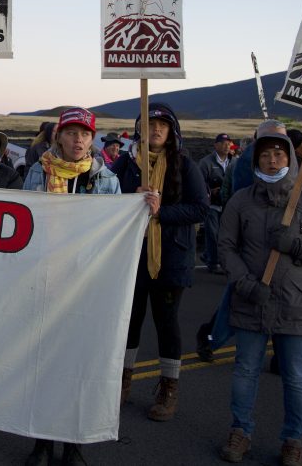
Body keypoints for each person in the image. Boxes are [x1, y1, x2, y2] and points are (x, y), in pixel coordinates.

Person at [217, 129, 302, 466]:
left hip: (296, 302)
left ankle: (293, 440)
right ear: (256, 159)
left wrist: (297, 246)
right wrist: (244, 283)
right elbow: (225, 247)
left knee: (296, 376)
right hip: (251, 299)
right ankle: (240, 431)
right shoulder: (241, 200)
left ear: (291, 159)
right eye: (266, 155)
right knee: (245, 371)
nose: (272, 161)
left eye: (279, 155)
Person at [21, 106, 120, 466]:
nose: (78, 140)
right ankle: (42, 443)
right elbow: (25, 223)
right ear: (58, 136)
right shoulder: (36, 172)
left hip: (86, 284)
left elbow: (116, 231)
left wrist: (145, 207)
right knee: (43, 365)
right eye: (71, 133)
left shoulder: (107, 179)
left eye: (85, 134)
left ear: (92, 140)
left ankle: (73, 445)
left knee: (79, 365)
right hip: (45, 280)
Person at [113, 103, 207, 422]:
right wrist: (130, 198)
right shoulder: (126, 164)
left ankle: (169, 388)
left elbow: (199, 209)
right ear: (139, 128)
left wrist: (160, 211)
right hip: (131, 256)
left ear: (171, 132)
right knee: (130, 320)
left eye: (162, 126)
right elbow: (107, 198)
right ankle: (122, 381)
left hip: (171, 257)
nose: (155, 129)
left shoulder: (184, 165)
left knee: (167, 323)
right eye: (149, 124)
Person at [197, 121, 286, 363]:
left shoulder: (288, 163)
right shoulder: (248, 161)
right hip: (252, 242)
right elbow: (243, 198)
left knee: (281, 301)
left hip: (281, 244)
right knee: (238, 296)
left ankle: (281, 355)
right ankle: (210, 339)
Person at [198, 133, 233, 274]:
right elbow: (200, 182)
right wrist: (210, 191)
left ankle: (208, 255)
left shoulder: (234, 162)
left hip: (228, 205)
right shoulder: (206, 162)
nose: (227, 146)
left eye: (228, 143)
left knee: (225, 235)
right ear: (216, 145)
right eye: (223, 143)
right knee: (213, 233)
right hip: (211, 204)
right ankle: (213, 263)